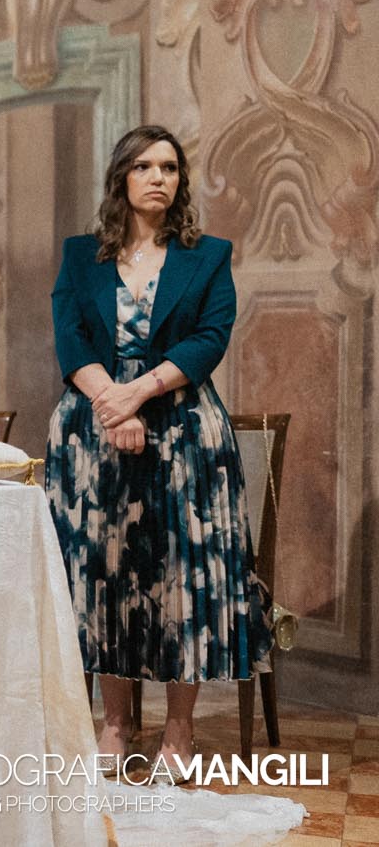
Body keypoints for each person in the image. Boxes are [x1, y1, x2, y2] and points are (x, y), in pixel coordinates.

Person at [47, 124, 268, 776]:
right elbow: (71, 340)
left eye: (169, 166)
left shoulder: (208, 255)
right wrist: (110, 402)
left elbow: (209, 339)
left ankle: (179, 730)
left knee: (181, 582)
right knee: (104, 576)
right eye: (143, 165)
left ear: (180, 179)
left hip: (183, 431)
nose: (158, 177)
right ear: (121, 176)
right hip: (92, 434)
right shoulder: (81, 254)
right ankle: (115, 725)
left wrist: (137, 392)